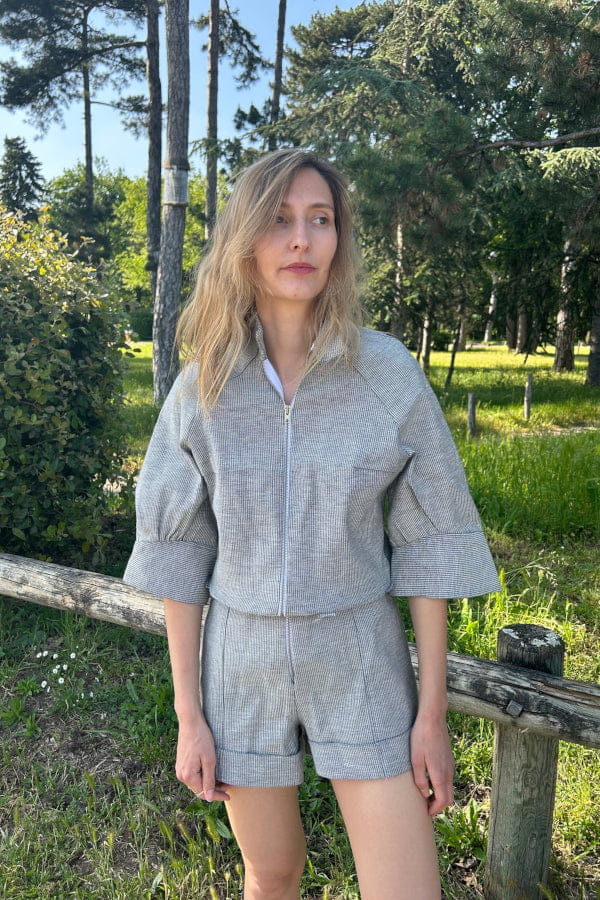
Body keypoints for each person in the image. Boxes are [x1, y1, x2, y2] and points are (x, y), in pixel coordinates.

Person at [124, 148, 500, 900]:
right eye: (279, 219)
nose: (302, 239)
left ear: (339, 238)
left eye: (320, 219)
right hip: (241, 663)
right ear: (244, 240)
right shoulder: (205, 387)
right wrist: (189, 716)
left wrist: (431, 716)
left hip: (360, 655)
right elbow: (178, 554)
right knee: (271, 876)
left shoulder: (386, 373)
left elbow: (428, 543)